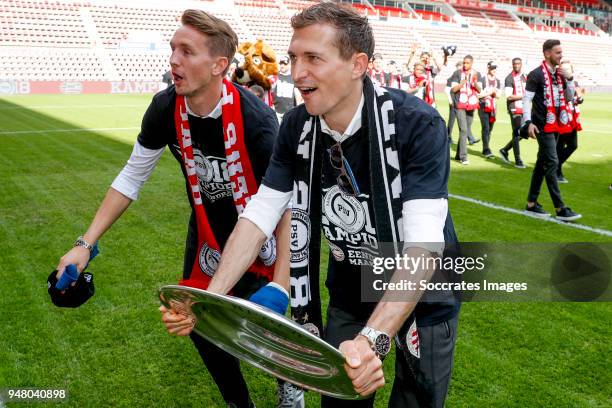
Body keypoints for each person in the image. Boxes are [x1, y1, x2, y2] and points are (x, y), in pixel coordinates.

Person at [191, 3, 460, 407]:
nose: (297, 73)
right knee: (338, 400)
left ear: (358, 64)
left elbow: (424, 246)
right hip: (352, 290)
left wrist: (373, 339)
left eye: (313, 58)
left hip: (426, 295)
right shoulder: (296, 126)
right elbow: (260, 214)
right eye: (294, 58)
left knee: (416, 400)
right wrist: (211, 300)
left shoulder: (416, 124)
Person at [54, 9, 301, 408]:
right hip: (207, 232)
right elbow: (132, 177)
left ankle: (287, 384)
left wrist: (282, 280)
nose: (173, 59)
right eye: (173, 49)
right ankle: (240, 403)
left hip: (264, 230)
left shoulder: (257, 121)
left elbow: (286, 199)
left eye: (187, 51)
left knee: (270, 328)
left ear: (219, 65)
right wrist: (86, 243)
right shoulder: (165, 107)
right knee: (201, 325)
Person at [521, 39, 582, 221]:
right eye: (558, 53)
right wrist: (528, 122)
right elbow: (526, 100)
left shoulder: (560, 74)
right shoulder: (536, 74)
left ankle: (531, 204)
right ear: (547, 54)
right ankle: (560, 208)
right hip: (542, 125)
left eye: (561, 52)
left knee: (542, 164)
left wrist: (569, 79)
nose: (561, 56)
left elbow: (570, 98)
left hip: (557, 124)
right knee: (552, 163)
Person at [450, 55, 481, 165]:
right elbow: (453, 89)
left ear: (472, 63)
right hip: (460, 105)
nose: (465, 65)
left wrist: (475, 82)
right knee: (463, 130)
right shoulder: (457, 73)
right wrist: (462, 83)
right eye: (464, 62)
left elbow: (479, 90)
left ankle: (458, 155)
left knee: (465, 130)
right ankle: (464, 157)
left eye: (467, 63)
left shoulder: (476, 73)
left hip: (471, 105)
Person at [556, 65, 584, 183]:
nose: (567, 71)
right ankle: (556, 171)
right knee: (560, 146)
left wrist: (580, 98)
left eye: (569, 69)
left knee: (572, 145)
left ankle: (554, 167)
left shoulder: (574, 82)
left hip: (572, 117)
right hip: (562, 117)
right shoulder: (558, 81)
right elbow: (566, 98)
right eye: (565, 69)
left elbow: (576, 99)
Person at [499, 57, 527, 168]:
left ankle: (505, 150)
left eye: (518, 64)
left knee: (524, 132)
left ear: (521, 64)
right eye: (514, 64)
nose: (516, 66)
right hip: (514, 108)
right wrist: (523, 96)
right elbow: (509, 96)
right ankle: (518, 160)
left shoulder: (525, 77)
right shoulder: (509, 78)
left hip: (525, 108)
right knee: (516, 132)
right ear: (512, 65)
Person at [477, 61, 500, 158]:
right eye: (492, 68)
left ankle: (485, 148)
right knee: (485, 128)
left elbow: (498, 96)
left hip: (493, 107)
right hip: (483, 106)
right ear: (488, 68)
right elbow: (478, 95)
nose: (494, 70)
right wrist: (490, 92)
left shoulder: (497, 81)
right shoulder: (482, 79)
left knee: (490, 129)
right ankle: (486, 149)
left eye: (495, 68)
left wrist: (494, 93)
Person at [272, 55, 303, 121]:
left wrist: (298, 112)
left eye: (285, 64)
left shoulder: (294, 77)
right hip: (276, 111)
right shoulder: (275, 76)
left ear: (289, 65)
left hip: (289, 112)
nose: (282, 66)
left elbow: (297, 96)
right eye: (281, 63)